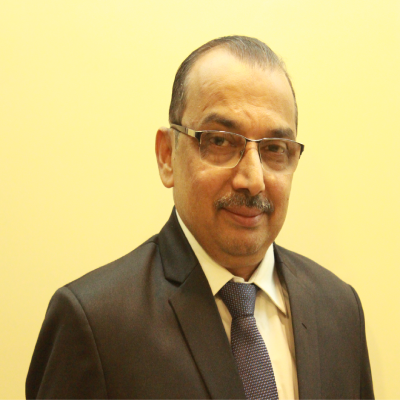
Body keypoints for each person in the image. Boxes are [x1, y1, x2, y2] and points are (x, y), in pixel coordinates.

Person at [26, 36, 374, 399]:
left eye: (274, 149)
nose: (253, 180)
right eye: (220, 141)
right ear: (167, 156)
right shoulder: (95, 323)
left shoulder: (339, 309)